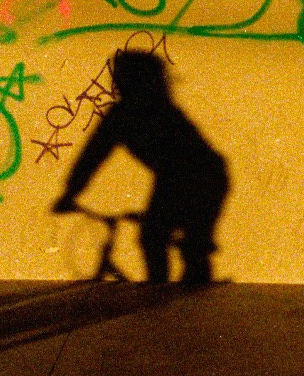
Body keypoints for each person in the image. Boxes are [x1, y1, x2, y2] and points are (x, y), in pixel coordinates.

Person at [52, 50, 228, 285]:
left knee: (161, 239)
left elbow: (93, 156)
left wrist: (71, 193)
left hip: (194, 176)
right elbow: (93, 155)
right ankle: (174, 296)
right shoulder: (158, 109)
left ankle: (169, 301)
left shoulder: (128, 114)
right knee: (174, 242)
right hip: (197, 176)